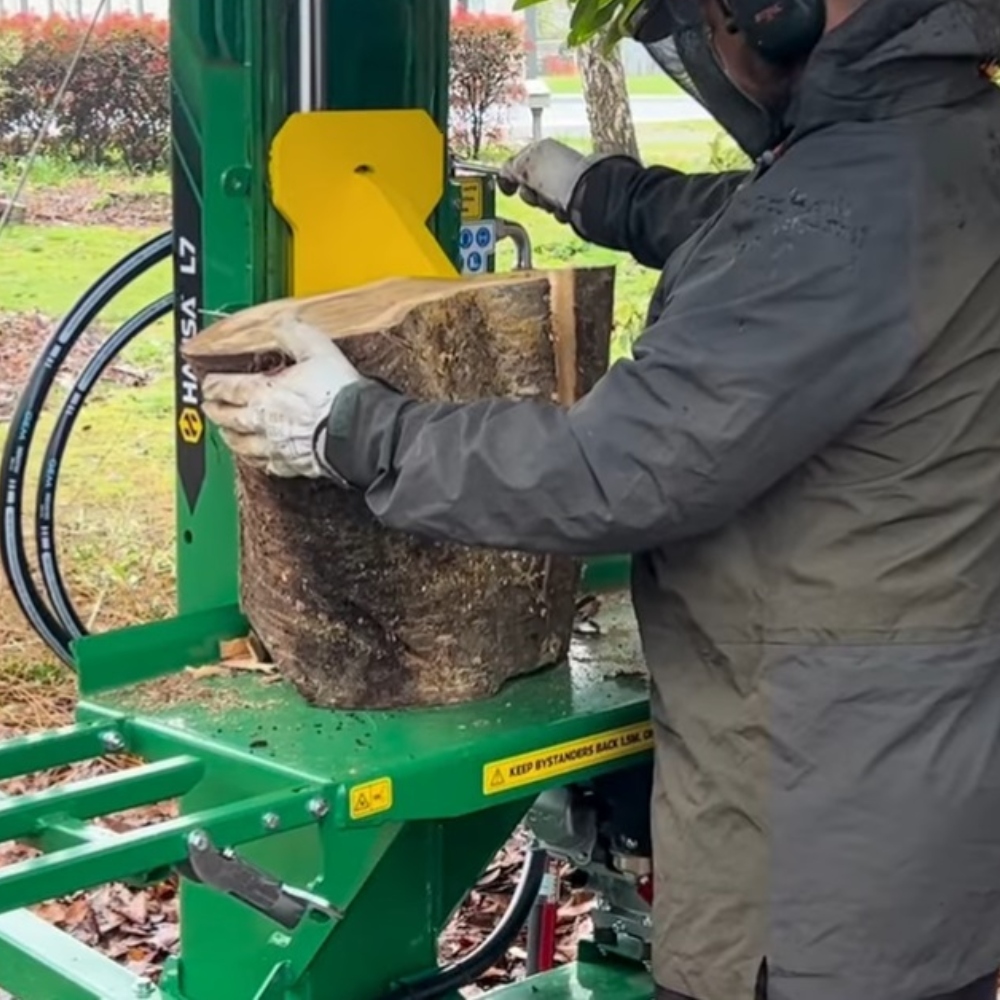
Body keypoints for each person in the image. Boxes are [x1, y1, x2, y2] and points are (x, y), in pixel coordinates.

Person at [200, 0, 1000, 996]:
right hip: (919, 780)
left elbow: (616, 468)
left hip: (812, 842)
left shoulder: (856, 201)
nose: (715, 39)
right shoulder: (947, 138)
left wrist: (353, 429)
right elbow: (751, 220)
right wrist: (596, 193)